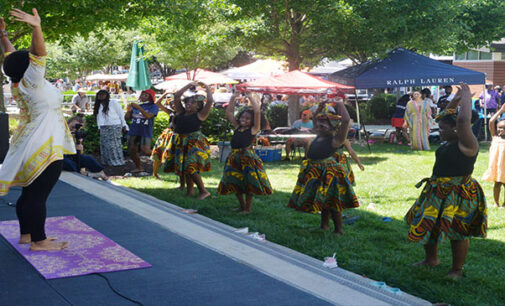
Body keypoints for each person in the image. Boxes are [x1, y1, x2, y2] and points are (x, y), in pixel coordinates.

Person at [0, 9, 75, 250]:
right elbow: (39, 54)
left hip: (29, 140)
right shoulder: (32, 81)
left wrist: (2, 35)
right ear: (30, 66)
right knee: (38, 195)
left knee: (30, 193)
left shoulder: (19, 81)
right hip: (43, 142)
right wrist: (36, 27)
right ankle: (39, 241)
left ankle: (27, 235)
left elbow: (11, 57)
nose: (33, 57)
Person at [405, 83, 487, 280]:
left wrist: (467, 96)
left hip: (459, 193)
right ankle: (431, 259)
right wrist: (457, 97)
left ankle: (456, 270)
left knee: (458, 231)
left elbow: (463, 120)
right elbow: (446, 114)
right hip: (437, 190)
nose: (439, 130)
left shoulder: (468, 143)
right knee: (428, 223)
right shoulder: (450, 141)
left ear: (457, 129)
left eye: (443, 128)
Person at [288, 101, 360, 234]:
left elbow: (345, 121)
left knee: (332, 201)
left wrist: (340, 103)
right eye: (319, 124)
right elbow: (315, 119)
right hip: (315, 170)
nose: (319, 126)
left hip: (328, 172)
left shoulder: (336, 139)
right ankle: (324, 225)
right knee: (324, 200)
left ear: (333, 127)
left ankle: (339, 229)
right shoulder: (320, 134)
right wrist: (320, 108)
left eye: (324, 124)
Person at [217, 91, 273, 213]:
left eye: (248, 118)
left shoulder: (253, 129)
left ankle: (247, 208)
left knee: (248, 183)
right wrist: (233, 97)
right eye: (242, 117)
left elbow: (257, 112)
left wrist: (249, 97)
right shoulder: (237, 127)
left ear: (253, 121)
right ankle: (241, 206)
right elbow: (229, 112)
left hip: (247, 158)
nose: (244, 119)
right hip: (234, 157)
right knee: (235, 181)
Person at [164, 81, 213, 200]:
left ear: (198, 106)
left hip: (194, 142)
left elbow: (210, 101)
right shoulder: (181, 112)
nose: (188, 105)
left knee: (190, 166)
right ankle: (190, 191)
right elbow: (177, 96)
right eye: (187, 103)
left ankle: (204, 191)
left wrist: (206, 87)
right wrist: (189, 85)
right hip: (182, 141)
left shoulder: (200, 115)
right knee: (185, 168)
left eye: (192, 103)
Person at [150, 91, 185, 189]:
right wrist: (166, 93)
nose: (173, 105)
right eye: (171, 104)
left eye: (175, 103)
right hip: (167, 134)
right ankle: (155, 173)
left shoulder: (183, 113)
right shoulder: (171, 112)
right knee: (158, 152)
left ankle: (181, 178)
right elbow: (157, 103)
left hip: (177, 135)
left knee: (174, 155)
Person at [125, 89, 159, 173]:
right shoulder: (138, 106)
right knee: (131, 150)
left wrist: (139, 108)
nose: (143, 96)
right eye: (142, 94)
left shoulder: (153, 107)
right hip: (133, 131)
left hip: (145, 131)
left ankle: (161, 159)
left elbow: (148, 116)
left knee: (146, 150)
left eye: (145, 95)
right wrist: (128, 111)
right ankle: (139, 167)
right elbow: (126, 118)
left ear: (150, 97)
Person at [64, 116, 108, 180]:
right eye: (72, 127)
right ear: (67, 123)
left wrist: (79, 146)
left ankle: (104, 177)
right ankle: (87, 174)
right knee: (70, 164)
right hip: (60, 156)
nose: (74, 130)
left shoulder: (76, 135)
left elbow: (79, 153)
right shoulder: (60, 132)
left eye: (76, 128)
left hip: (71, 155)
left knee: (89, 159)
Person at [93, 90, 128, 166]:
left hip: (114, 126)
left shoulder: (113, 102)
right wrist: (99, 128)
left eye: (103, 94)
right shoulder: (98, 105)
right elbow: (99, 118)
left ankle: (117, 162)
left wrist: (124, 125)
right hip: (103, 127)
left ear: (107, 95)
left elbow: (121, 114)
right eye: (99, 95)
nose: (101, 96)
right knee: (105, 145)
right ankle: (107, 162)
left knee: (114, 145)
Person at [482, 104, 505, 208]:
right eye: (499, 128)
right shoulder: (495, 137)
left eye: (504, 128)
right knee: (497, 184)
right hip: (497, 167)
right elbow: (491, 121)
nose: (501, 130)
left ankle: (504, 204)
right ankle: (496, 202)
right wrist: (500, 111)